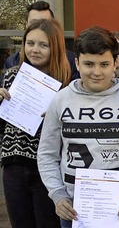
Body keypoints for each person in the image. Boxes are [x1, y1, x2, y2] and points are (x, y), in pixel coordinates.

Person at [37, 26, 119, 227]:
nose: (97, 72)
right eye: (89, 64)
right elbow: (47, 154)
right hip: (75, 211)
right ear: (77, 63)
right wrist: (57, 194)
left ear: (115, 63)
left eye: (104, 64)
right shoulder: (60, 100)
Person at [0, 18, 71, 228]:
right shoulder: (11, 77)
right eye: (30, 43)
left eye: (43, 44)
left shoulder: (66, 86)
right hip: (14, 165)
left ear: (55, 47)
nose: (35, 50)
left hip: (47, 170)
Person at [3, 0, 79, 80]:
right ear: (26, 25)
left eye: (45, 24)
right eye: (30, 43)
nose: (35, 50)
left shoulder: (72, 63)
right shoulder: (12, 62)